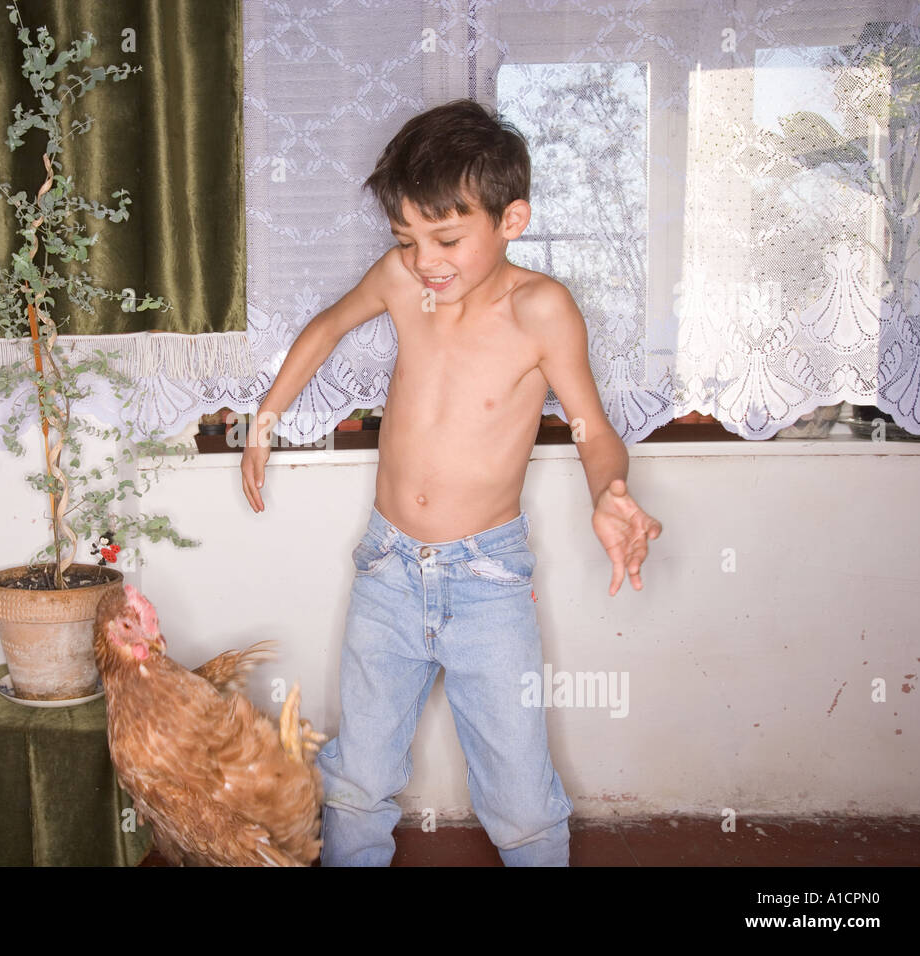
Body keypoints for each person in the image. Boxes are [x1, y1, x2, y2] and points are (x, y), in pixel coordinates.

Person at [240, 99, 662, 866]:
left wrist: (610, 491)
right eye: (407, 237)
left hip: (487, 578)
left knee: (520, 795)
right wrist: (266, 417)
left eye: (447, 237)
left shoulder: (542, 309)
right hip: (387, 568)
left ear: (512, 219)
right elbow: (329, 326)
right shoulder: (404, 281)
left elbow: (595, 430)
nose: (426, 258)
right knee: (357, 779)